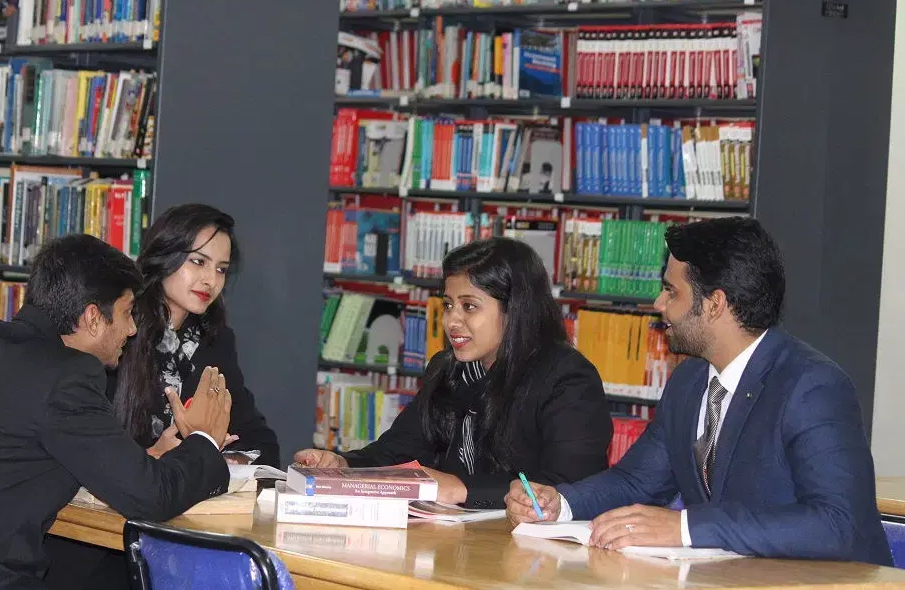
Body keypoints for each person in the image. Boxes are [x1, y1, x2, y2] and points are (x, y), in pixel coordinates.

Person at [504, 217, 892, 566]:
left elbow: (837, 524)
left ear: (714, 304)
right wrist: (561, 504)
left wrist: (685, 528)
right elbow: (637, 482)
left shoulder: (812, 387)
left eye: (671, 292)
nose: (658, 304)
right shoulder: (690, 381)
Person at [0, 234, 233, 590]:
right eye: (126, 314)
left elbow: (20, 449)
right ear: (93, 318)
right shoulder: (66, 376)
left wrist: (139, 460)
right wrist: (204, 439)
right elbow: (153, 498)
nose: (132, 329)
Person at [293, 237, 613, 508]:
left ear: (515, 309)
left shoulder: (567, 380)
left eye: (469, 306)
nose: (451, 321)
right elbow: (397, 449)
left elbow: (571, 487)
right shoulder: (448, 369)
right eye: (448, 305)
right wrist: (343, 464)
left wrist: (461, 489)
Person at [110, 203, 280, 468]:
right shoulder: (122, 328)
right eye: (198, 262)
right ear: (165, 255)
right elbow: (85, 445)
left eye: (221, 269)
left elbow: (261, 442)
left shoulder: (215, 340)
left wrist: (227, 457)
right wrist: (150, 457)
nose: (211, 280)